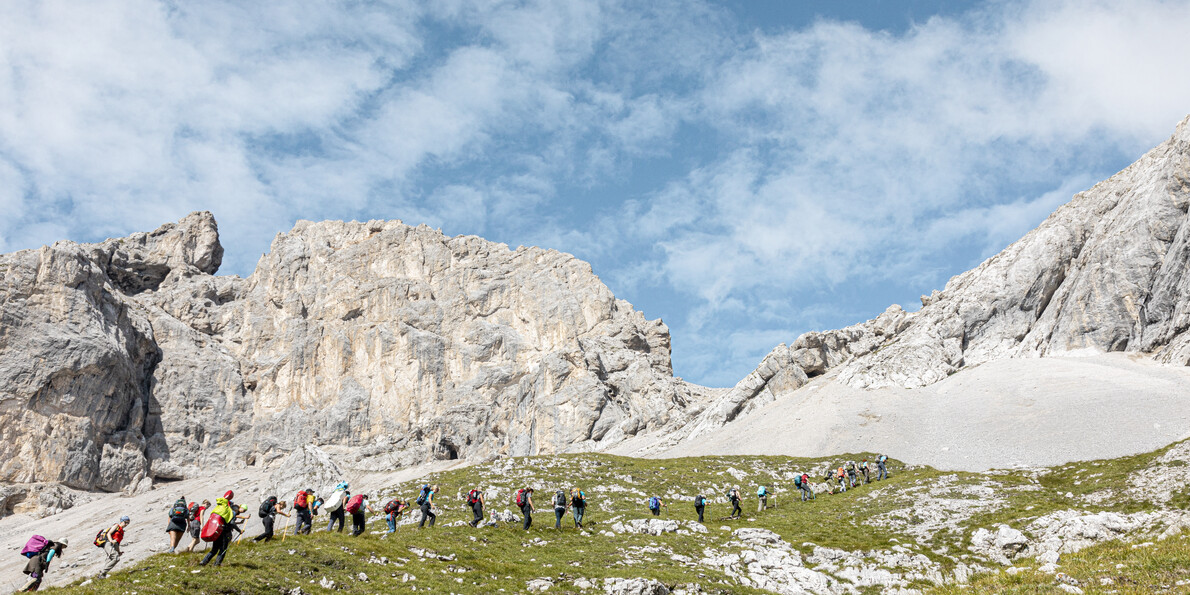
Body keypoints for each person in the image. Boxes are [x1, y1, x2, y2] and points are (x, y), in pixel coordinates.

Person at [200, 492, 238, 567]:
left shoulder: (217, 508)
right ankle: (217, 564)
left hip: (216, 531)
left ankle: (204, 562)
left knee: (214, 549)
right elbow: (232, 523)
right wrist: (239, 530)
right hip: (224, 532)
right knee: (223, 549)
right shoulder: (230, 511)